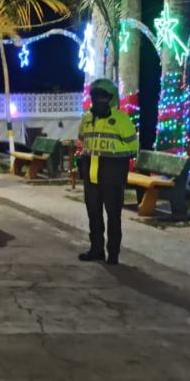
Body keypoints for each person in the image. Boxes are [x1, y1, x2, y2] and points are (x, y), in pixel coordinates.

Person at [77, 78, 138, 265]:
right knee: (94, 215)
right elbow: (82, 142)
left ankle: (113, 253)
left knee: (113, 216)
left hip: (112, 176)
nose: (99, 99)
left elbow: (132, 147)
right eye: (96, 96)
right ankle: (96, 250)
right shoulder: (87, 118)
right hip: (92, 176)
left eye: (104, 96)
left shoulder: (121, 119)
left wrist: (113, 155)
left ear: (110, 98)